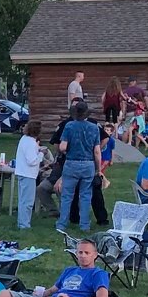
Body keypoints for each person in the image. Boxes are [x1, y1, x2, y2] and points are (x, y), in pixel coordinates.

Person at [0, 237, 111, 297]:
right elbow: (52, 290)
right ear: (76, 254)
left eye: (87, 253)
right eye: (80, 252)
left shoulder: (98, 274)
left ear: (95, 255)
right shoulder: (70, 270)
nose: (83, 255)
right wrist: (39, 293)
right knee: (3, 294)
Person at [55, 101, 101, 237]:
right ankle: (84, 224)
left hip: (71, 163)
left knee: (67, 195)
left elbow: (62, 147)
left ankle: (62, 224)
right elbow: (97, 151)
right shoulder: (94, 128)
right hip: (88, 164)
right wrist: (99, 169)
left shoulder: (69, 126)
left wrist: (67, 151)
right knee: (86, 195)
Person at [13, 123, 44, 230]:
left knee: (22, 200)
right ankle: (24, 225)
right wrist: (41, 154)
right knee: (28, 202)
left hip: (22, 172)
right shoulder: (31, 143)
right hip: (28, 174)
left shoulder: (24, 139)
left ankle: (21, 222)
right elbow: (32, 161)